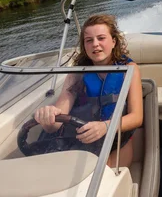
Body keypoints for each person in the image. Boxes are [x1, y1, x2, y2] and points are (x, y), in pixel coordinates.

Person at [34, 14, 143, 168]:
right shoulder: (77, 73)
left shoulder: (130, 70)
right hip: (84, 137)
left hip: (117, 136)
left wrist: (105, 126)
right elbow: (58, 118)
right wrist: (49, 118)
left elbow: (137, 117)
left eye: (101, 38)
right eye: (89, 40)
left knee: (104, 174)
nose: (95, 44)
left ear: (113, 41)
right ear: (84, 45)